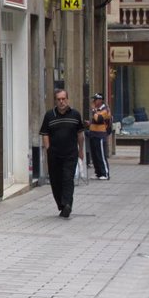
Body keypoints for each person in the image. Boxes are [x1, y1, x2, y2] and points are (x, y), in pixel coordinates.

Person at [39, 88, 85, 218]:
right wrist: (48, 149)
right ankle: (61, 204)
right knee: (55, 180)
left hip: (70, 153)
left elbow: (80, 134)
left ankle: (67, 205)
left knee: (67, 178)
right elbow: (45, 134)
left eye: (63, 99)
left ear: (67, 99)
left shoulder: (75, 115)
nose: (61, 102)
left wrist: (81, 150)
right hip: (54, 154)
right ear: (55, 101)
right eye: (58, 99)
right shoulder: (49, 115)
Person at [87, 93, 111, 180]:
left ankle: (105, 173)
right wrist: (90, 123)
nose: (93, 101)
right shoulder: (97, 110)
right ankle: (98, 173)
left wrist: (93, 110)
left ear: (100, 100)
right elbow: (95, 120)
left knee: (101, 155)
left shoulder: (105, 110)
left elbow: (99, 119)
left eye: (95, 100)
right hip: (93, 134)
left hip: (100, 135)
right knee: (95, 155)